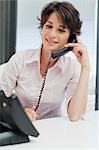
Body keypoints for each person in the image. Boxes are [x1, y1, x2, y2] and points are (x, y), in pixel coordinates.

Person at [0, 1, 90, 121]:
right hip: (21, 129)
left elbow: (74, 116)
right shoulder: (20, 60)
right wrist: (18, 114)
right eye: (49, 26)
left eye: (61, 30)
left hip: (54, 132)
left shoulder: (72, 68)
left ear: (71, 37)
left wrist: (85, 68)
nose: (52, 34)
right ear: (42, 27)